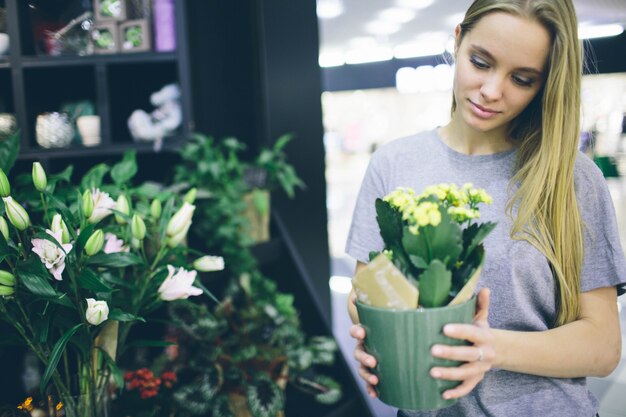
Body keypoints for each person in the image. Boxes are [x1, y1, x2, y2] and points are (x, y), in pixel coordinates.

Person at [345, 0, 626, 416]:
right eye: (480, 62)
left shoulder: (570, 177)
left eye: (522, 79)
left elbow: (602, 347)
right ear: (458, 41)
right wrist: (377, 339)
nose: (493, 91)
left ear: (545, 84)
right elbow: (363, 292)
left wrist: (489, 349)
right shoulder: (394, 163)